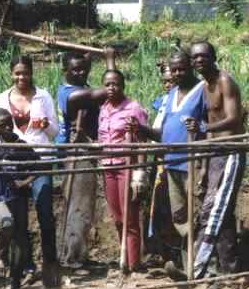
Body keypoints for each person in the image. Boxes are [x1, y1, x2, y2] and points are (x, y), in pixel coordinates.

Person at [138, 51, 208, 278]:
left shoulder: (203, 90)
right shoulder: (171, 95)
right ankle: (188, 266)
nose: (178, 73)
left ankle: (203, 267)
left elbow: (212, 124)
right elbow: (162, 133)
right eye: (174, 69)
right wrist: (141, 128)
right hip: (171, 165)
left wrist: (200, 129)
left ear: (191, 67)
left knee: (198, 214)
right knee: (180, 217)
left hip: (193, 163)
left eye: (182, 69)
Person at [0, 55, 60, 288]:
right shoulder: (2, 98)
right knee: (19, 220)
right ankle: (27, 266)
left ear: (32, 72)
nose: (22, 77)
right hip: (14, 167)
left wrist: (45, 125)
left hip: (40, 159)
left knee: (44, 212)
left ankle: (50, 263)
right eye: (17, 73)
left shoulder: (44, 96)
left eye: (25, 73)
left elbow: (55, 132)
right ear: (11, 74)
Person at [187, 41, 246, 281]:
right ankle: (226, 271)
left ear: (213, 57)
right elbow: (208, 122)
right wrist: (203, 163)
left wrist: (204, 127)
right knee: (221, 210)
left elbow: (233, 118)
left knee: (215, 209)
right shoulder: (204, 87)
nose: (198, 60)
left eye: (203, 56)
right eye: (195, 58)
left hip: (230, 152)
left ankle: (200, 271)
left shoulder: (224, 81)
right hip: (215, 154)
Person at [56, 49, 114, 268]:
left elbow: (85, 61)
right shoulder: (72, 95)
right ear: (65, 72)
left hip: (84, 148)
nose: (81, 72)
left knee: (83, 204)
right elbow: (109, 89)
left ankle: (76, 254)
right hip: (77, 150)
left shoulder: (79, 85)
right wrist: (109, 59)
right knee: (78, 205)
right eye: (75, 69)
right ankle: (71, 258)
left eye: (83, 69)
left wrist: (88, 54)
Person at [97, 69, 149, 272]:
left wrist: (140, 172)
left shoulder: (133, 108)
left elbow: (143, 140)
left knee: (130, 216)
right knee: (118, 217)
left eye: (116, 84)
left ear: (123, 85)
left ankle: (134, 264)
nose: (112, 88)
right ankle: (123, 258)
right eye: (108, 84)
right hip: (108, 166)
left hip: (126, 165)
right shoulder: (103, 109)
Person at [0, 108, 37, 289]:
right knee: (7, 225)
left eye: (9, 123)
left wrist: (25, 182)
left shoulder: (21, 145)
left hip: (18, 197)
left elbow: (39, 166)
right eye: (1, 125)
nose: (7, 127)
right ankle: (2, 254)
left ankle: (15, 282)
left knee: (20, 237)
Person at [146, 62, 179, 267]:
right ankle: (161, 251)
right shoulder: (162, 102)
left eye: (171, 80)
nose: (168, 84)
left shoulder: (184, 100)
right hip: (158, 158)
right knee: (157, 206)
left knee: (172, 206)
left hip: (173, 160)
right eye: (165, 81)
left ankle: (175, 253)